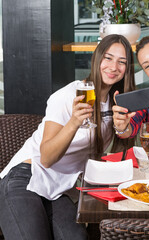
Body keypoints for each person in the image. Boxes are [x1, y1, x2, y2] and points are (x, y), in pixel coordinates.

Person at [0, 34, 136, 240]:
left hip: (61, 187)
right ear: (96, 58)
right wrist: (74, 122)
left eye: (122, 61)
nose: (113, 66)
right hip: (27, 175)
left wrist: (123, 130)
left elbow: (114, 157)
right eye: (108, 58)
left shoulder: (114, 103)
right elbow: (46, 158)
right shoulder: (68, 95)